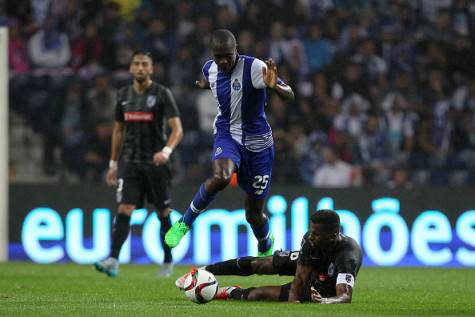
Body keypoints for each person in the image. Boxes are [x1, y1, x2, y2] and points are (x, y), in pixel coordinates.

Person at [165, 29, 294, 256]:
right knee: (222, 177)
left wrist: (275, 86)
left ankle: (265, 240)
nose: (223, 61)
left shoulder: (255, 67)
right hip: (228, 134)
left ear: (237, 51)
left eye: (228, 56)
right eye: (218, 57)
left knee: (253, 215)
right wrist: (205, 85)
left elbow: (289, 95)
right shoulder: (210, 68)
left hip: (259, 146)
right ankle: (184, 223)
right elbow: (214, 81)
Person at [94, 50, 183, 277]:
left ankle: (167, 261)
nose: (141, 68)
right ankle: (113, 259)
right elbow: (118, 130)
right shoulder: (123, 95)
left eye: (145, 64)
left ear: (151, 69)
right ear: (131, 68)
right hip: (130, 162)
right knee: (124, 209)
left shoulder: (162, 94)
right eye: (137, 64)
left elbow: (177, 129)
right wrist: (113, 162)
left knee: (163, 212)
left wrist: (166, 151)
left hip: (156, 163)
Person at [176, 210, 362, 304]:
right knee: (260, 263)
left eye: (316, 234)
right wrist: (294, 296)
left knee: (258, 294)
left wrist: (324, 300)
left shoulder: (348, 255)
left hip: (322, 288)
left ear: (332, 236)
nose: (309, 236)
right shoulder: (310, 240)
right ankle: (202, 271)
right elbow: (299, 281)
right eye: (310, 231)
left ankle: (231, 291)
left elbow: (344, 295)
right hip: (311, 267)